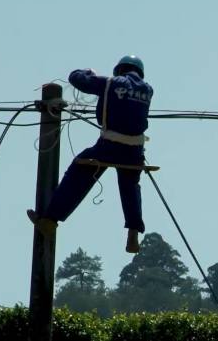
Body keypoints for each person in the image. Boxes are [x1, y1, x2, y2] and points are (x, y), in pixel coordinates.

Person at [28, 55, 153, 253]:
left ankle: (51, 219)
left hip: (109, 146)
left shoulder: (111, 83)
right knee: (130, 185)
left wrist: (88, 73)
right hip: (135, 151)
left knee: (80, 170)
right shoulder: (148, 90)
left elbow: (75, 78)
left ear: (119, 70)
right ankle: (133, 234)